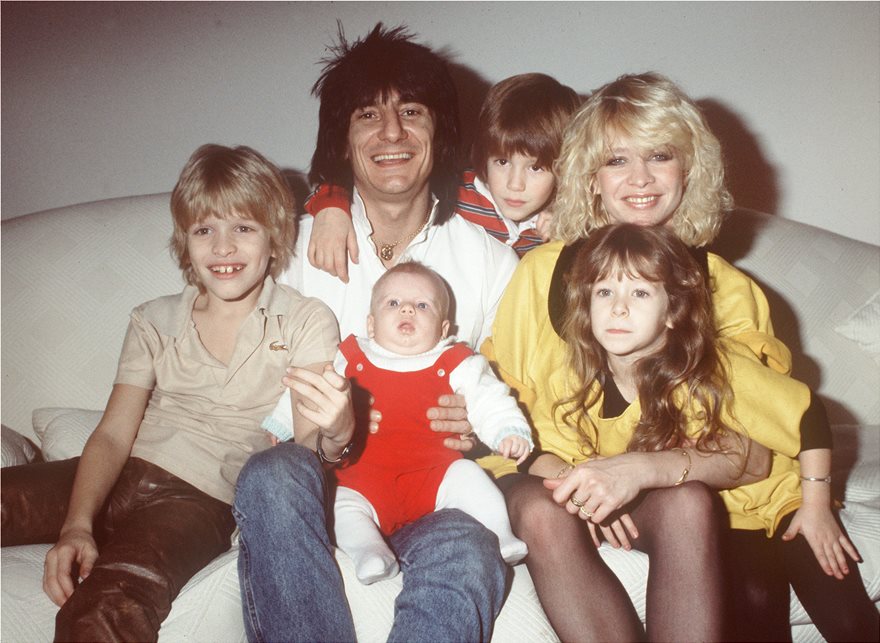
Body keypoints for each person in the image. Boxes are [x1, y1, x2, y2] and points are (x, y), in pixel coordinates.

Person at [476, 72, 797, 641]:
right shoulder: (539, 274)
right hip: (547, 480)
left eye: (660, 156)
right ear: (590, 177)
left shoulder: (728, 290)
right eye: (616, 160)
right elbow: (499, 408)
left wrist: (637, 472)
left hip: (665, 488)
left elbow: (755, 448)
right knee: (542, 513)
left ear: (689, 170)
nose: (640, 179)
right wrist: (582, 484)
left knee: (690, 506)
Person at [232, 24, 512, 642]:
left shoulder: (490, 263)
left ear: (441, 131)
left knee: (470, 544)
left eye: (411, 112)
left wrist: (476, 424)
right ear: (343, 138)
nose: (391, 134)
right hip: (316, 492)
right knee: (271, 475)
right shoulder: (294, 249)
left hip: (429, 490)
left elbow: (509, 395)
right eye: (368, 115)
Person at [0, 144, 346, 641]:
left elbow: (306, 446)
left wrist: (332, 437)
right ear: (185, 242)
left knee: (103, 610)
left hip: (197, 504)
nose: (222, 248)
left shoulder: (304, 319)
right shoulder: (153, 317)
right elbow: (113, 435)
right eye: (204, 230)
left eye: (243, 228)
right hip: (120, 473)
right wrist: (77, 524)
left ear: (274, 238)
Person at [552, 223, 879, 641]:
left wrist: (816, 506)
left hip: (778, 496)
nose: (618, 308)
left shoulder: (714, 366)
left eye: (640, 293)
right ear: (584, 303)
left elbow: (808, 414)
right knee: (754, 602)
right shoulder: (579, 381)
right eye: (604, 292)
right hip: (726, 513)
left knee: (845, 613)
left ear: (673, 312)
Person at [264, 262, 532, 584]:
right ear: (371, 323)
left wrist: (507, 430)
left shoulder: (457, 362)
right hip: (361, 480)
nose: (407, 309)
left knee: (469, 477)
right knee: (339, 505)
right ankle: (369, 551)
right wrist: (282, 421)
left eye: (423, 305)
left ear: (443, 329)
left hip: (435, 477)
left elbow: (489, 398)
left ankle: (500, 535)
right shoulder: (351, 357)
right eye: (393, 303)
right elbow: (314, 388)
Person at [305, 72, 581, 281]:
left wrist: (567, 229)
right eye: (502, 161)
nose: (515, 184)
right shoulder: (455, 189)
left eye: (535, 168)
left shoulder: (563, 220)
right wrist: (332, 207)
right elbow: (359, 181)